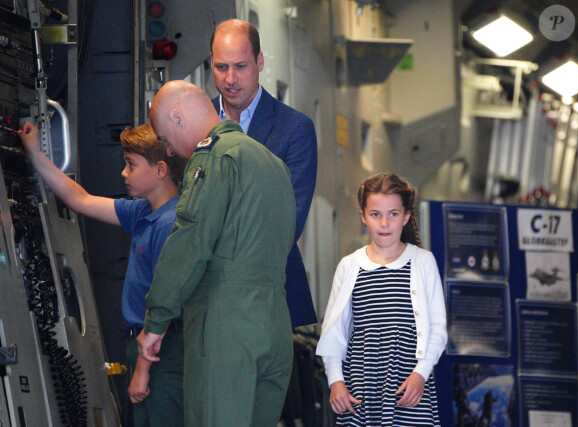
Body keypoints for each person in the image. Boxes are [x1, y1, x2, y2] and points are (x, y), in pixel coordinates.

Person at [137, 80, 296, 426]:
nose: (167, 151)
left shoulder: (214, 157)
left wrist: (156, 322)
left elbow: (189, 243)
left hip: (228, 330)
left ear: (177, 118)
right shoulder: (272, 164)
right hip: (275, 326)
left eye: (163, 139)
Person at [19, 121, 186, 427]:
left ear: (161, 170)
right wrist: (35, 154)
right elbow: (79, 199)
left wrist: (142, 371)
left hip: (162, 353)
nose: (124, 173)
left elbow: (162, 300)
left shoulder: (168, 224)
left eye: (131, 165)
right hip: (144, 349)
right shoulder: (142, 213)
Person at [316, 173, 447, 426]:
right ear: (364, 217)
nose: (384, 223)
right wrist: (336, 381)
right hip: (360, 382)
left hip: (407, 383)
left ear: (406, 216)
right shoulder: (349, 265)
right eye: (376, 214)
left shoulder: (422, 261)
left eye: (393, 214)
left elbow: (438, 329)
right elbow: (334, 332)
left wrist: (420, 374)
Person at [210, 18, 318, 327]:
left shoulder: (295, 129)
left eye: (240, 66)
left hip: (271, 298)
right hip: (205, 300)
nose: (230, 78)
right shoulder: (197, 125)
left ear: (259, 62)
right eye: (221, 67)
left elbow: (288, 220)